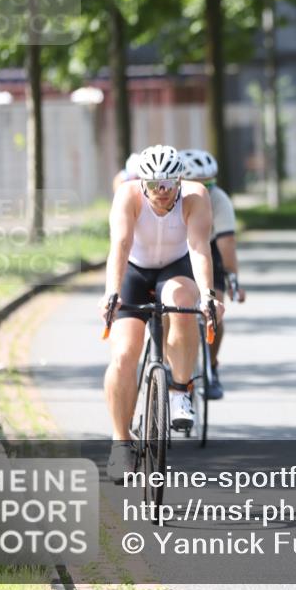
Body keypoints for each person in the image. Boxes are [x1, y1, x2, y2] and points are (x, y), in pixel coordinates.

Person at [99, 144, 224, 483]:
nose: (163, 192)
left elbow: (199, 249)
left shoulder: (196, 196)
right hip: (134, 273)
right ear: (143, 183)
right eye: (155, 185)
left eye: (170, 184)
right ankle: (120, 442)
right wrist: (112, 291)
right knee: (124, 355)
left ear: (180, 180)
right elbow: (120, 246)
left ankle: (181, 390)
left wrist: (209, 294)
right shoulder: (128, 196)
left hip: (175, 268)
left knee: (184, 303)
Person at [180, 148, 246, 399]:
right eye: (200, 184)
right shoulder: (170, 196)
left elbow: (226, 245)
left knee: (214, 310)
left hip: (209, 251)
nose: (205, 190)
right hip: (177, 252)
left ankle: (212, 366)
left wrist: (232, 278)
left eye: (210, 183)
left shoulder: (219, 199)